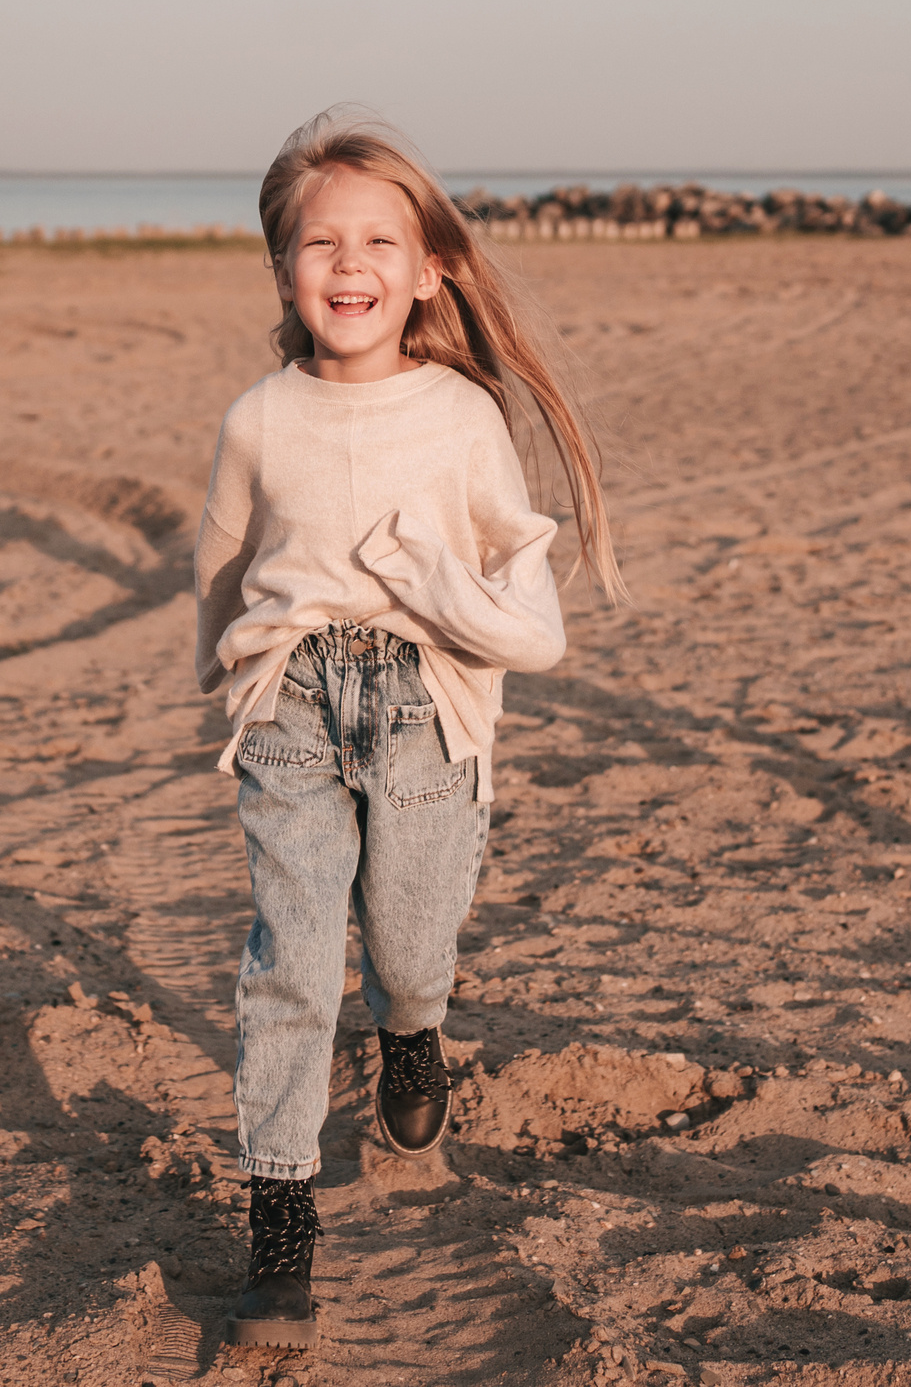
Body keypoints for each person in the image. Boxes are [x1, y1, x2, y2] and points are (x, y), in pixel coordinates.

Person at [194, 109, 622, 1347]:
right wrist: (224, 683)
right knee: (289, 958)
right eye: (321, 242)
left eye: (379, 241)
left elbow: (522, 593)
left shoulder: (458, 413)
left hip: (427, 709)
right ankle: (282, 1224)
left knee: (411, 941)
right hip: (290, 707)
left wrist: (450, 597)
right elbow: (220, 567)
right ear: (283, 266)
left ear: (429, 268)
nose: (350, 264)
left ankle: (412, 1031)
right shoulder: (257, 418)